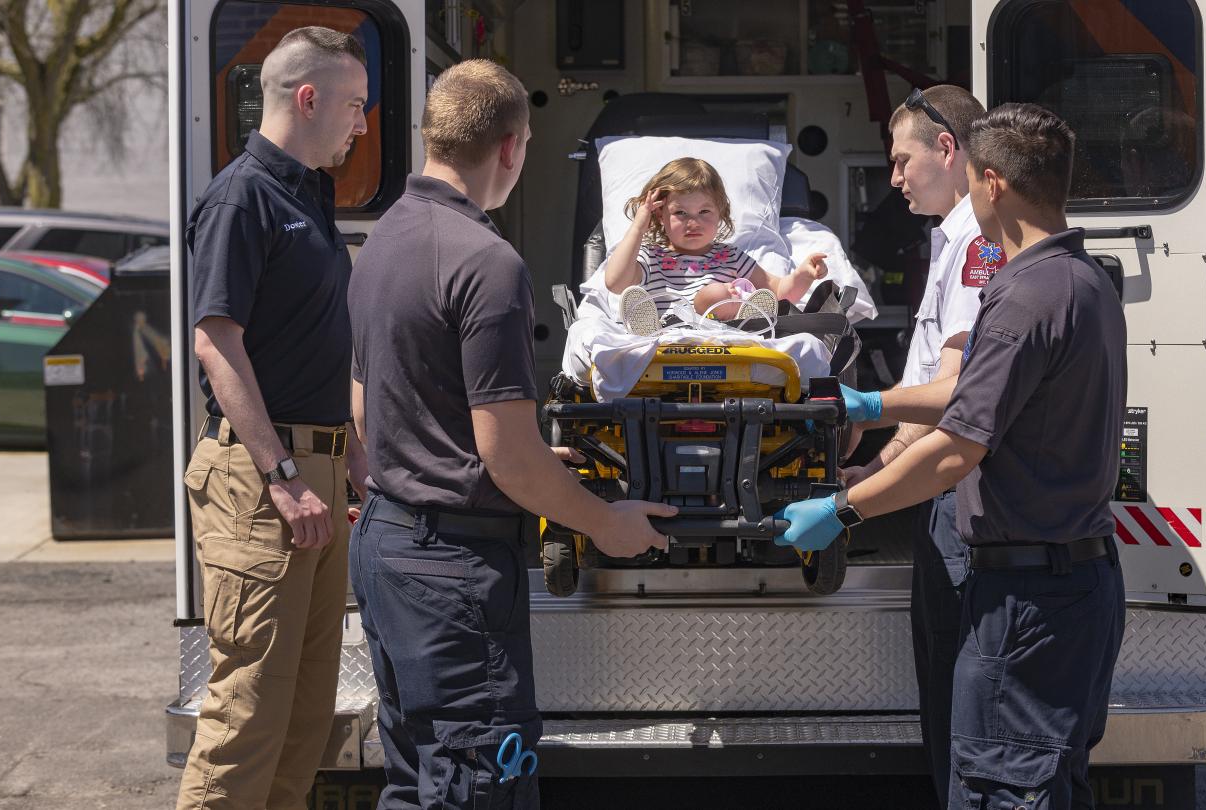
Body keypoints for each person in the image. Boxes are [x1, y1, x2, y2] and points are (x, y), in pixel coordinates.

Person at [775, 103, 1128, 809]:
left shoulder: (1023, 295)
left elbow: (954, 452)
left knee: (1002, 791)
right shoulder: (1086, 283)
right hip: (1079, 585)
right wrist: (875, 406)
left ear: (990, 182)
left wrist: (844, 508)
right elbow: (984, 401)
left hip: (1027, 603)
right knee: (1052, 785)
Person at [347, 59, 677, 809]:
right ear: (511, 147)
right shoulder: (486, 262)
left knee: (416, 775)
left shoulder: (384, 239)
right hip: (454, 567)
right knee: (479, 779)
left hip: (388, 543)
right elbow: (507, 455)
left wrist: (485, 460)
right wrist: (606, 522)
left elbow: (371, 409)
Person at [177, 27, 370, 810]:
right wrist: (285, 477)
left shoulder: (308, 194)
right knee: (248, 712)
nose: (361, 124)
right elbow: (216, 344)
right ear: (307, 97)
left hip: (314, 470)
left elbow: (308, 346)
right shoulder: (241, 196)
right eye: (354, 106)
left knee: (303, 716)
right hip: (264, 479)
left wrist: (350, 453)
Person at [835, 83, 996, 810]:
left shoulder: (976, 249)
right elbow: (919, 414)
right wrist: (870, 465)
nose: (893, 178)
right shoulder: (948, 241)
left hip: (964, 514)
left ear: (947, 148)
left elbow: (955, 394)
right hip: (940, 506)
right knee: (942, 700)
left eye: (902, 161)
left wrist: (864, 405)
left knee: (963, 719)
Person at [602, 157, 828, 334]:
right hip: (665, 341)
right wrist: (638, 228)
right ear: (659, 215)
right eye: (680, 213)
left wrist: (803, 275)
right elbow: (615, 282)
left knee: (718, 294)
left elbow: (777, 291)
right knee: (637, 296)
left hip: (720, 340)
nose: (693, 223)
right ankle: (647, 332)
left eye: (704, 212)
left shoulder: (730, 256)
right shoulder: (651, 256)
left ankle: (748, 323)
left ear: (719, 212)